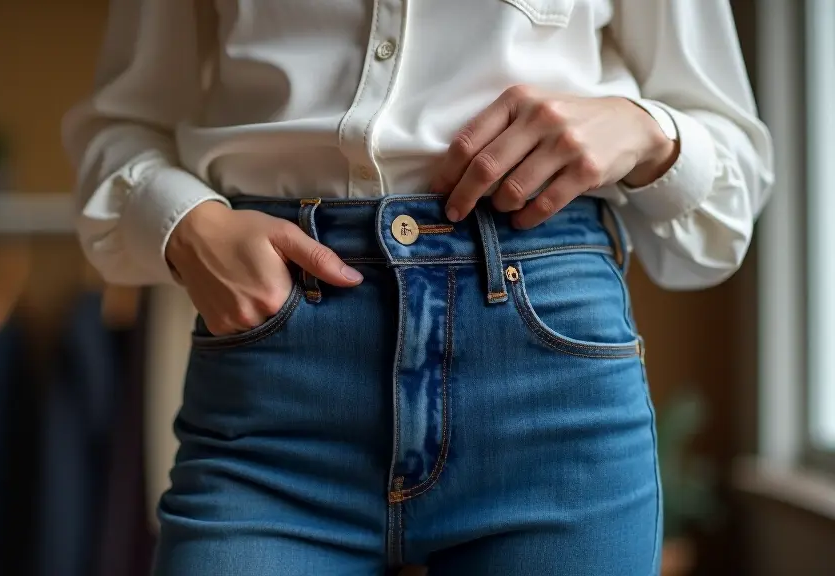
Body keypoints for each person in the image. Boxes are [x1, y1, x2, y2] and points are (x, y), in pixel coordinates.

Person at [63, 1, 773, 574]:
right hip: (277, 389)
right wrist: (187, 225)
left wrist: (645, 129)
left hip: (545, 378)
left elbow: (726, 193)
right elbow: (122, 122)